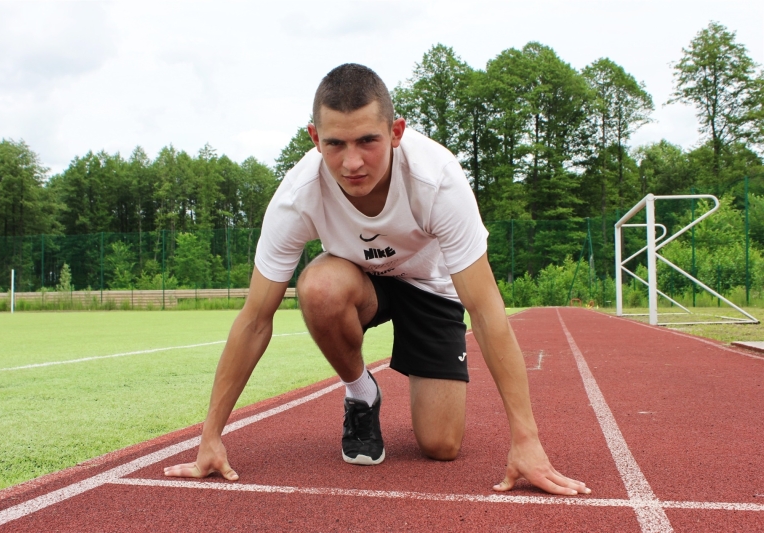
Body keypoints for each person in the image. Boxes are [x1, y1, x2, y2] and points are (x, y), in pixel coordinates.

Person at [164, 64, 590, 495]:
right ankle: (360, 392)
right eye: (334, 144)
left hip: (430, 287)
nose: (352, 163)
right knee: (317, 287)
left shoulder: (437, 179)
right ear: (315, 138)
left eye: (367, 140)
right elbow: (255, 318)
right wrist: (210, 437)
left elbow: (485, 310)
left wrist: (526, 441)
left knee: (441, 445)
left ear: (396, 131)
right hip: (357, 282)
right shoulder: (297, 196)